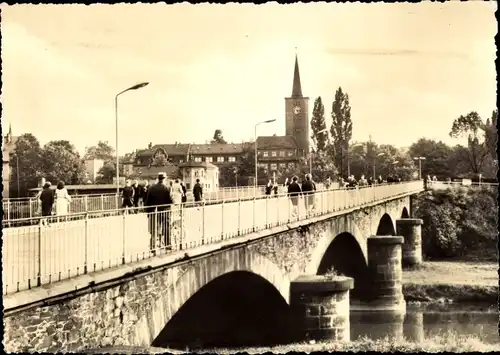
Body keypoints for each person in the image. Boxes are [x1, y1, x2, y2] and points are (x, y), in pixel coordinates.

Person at [145, 173, 173, 251]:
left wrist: (148, 212)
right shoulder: (167, 188)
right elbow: (170, 200)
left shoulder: (151, 188)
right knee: (167, 227)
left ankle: (153, 246)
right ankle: (167, 245)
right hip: (165, 211)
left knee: (154, 229)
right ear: (165, 179)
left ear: (158, 178)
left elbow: (147, 201)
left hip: (154, 211)